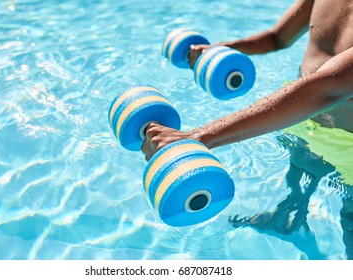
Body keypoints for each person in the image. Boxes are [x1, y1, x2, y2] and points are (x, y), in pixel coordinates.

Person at [142, 0, 353, 259]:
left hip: (347, 145)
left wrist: (196, 137)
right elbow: (276, 38)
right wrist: (222, 50)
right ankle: (286, 221)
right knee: (298, 180)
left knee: (349, 221)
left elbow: (325, 90)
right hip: (298, 116)